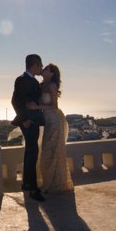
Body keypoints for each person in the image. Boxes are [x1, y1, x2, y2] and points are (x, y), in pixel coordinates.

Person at [11, 54, 46, 201]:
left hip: (32, 121)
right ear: (35, 65)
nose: (42, 68)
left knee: (30, 152)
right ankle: (33, 189)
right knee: (33, 153)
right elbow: (15, 101)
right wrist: (25, 119)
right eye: (40, 65)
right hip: (28, 122)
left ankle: (26, 183)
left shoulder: (34, 81)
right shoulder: (22, 80)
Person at [36, 64, 73, 194]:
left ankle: (53, 183)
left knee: (52, 151)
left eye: (46, 69)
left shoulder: (51, 85)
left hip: (54, 121)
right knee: (46, 151)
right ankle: (49, 181)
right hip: (46, 121)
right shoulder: (41, 85)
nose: (43, 69)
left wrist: (36, 107)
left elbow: (54, 106)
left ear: (51, 73)